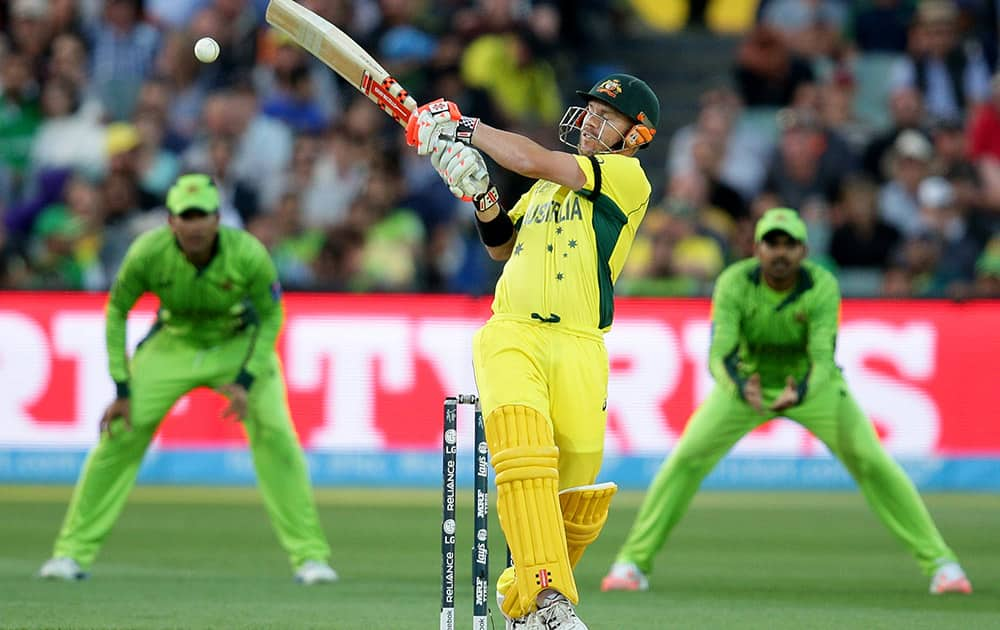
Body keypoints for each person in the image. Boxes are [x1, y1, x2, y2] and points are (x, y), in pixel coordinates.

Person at [600, 207, 973, 596]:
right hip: (747, 387)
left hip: (811, 387)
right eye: (772, 243)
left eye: (789, 244)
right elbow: (720, 353)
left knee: (872, 461)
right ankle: (632, 563)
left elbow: (823, 356)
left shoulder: (820, 285)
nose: (780, 253)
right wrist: (744, 387)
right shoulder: (735, 282)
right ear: (757, 249)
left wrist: (804, 391)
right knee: (685, 460)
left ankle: (942, 564)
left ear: (804, 250)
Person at [407, 74, 659, 629]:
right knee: (523, 457)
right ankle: (550, 604)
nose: (591, 120)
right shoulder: (546, 192)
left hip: (581, 344)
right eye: (590, 110)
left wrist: (465, 128)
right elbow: (500, 244)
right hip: (512, 331)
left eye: (607, 116)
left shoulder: (624, 178)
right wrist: (483, 195)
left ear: (637, 135)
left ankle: (520, 601)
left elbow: (538, 160)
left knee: (576, 498)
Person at [38, 174, 337, 586]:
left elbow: (271, 316)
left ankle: (310, 557)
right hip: (173, 343)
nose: (194, 225)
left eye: (202, 216)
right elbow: (116, 311)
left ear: (218, 219)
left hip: (237, 344)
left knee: (278, 438)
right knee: (119, 436)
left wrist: (247, 380)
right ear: (170, 221)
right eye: (185, 216)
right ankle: (70, 554)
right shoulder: (148, 253)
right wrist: (122, 387)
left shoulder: (248, 253)